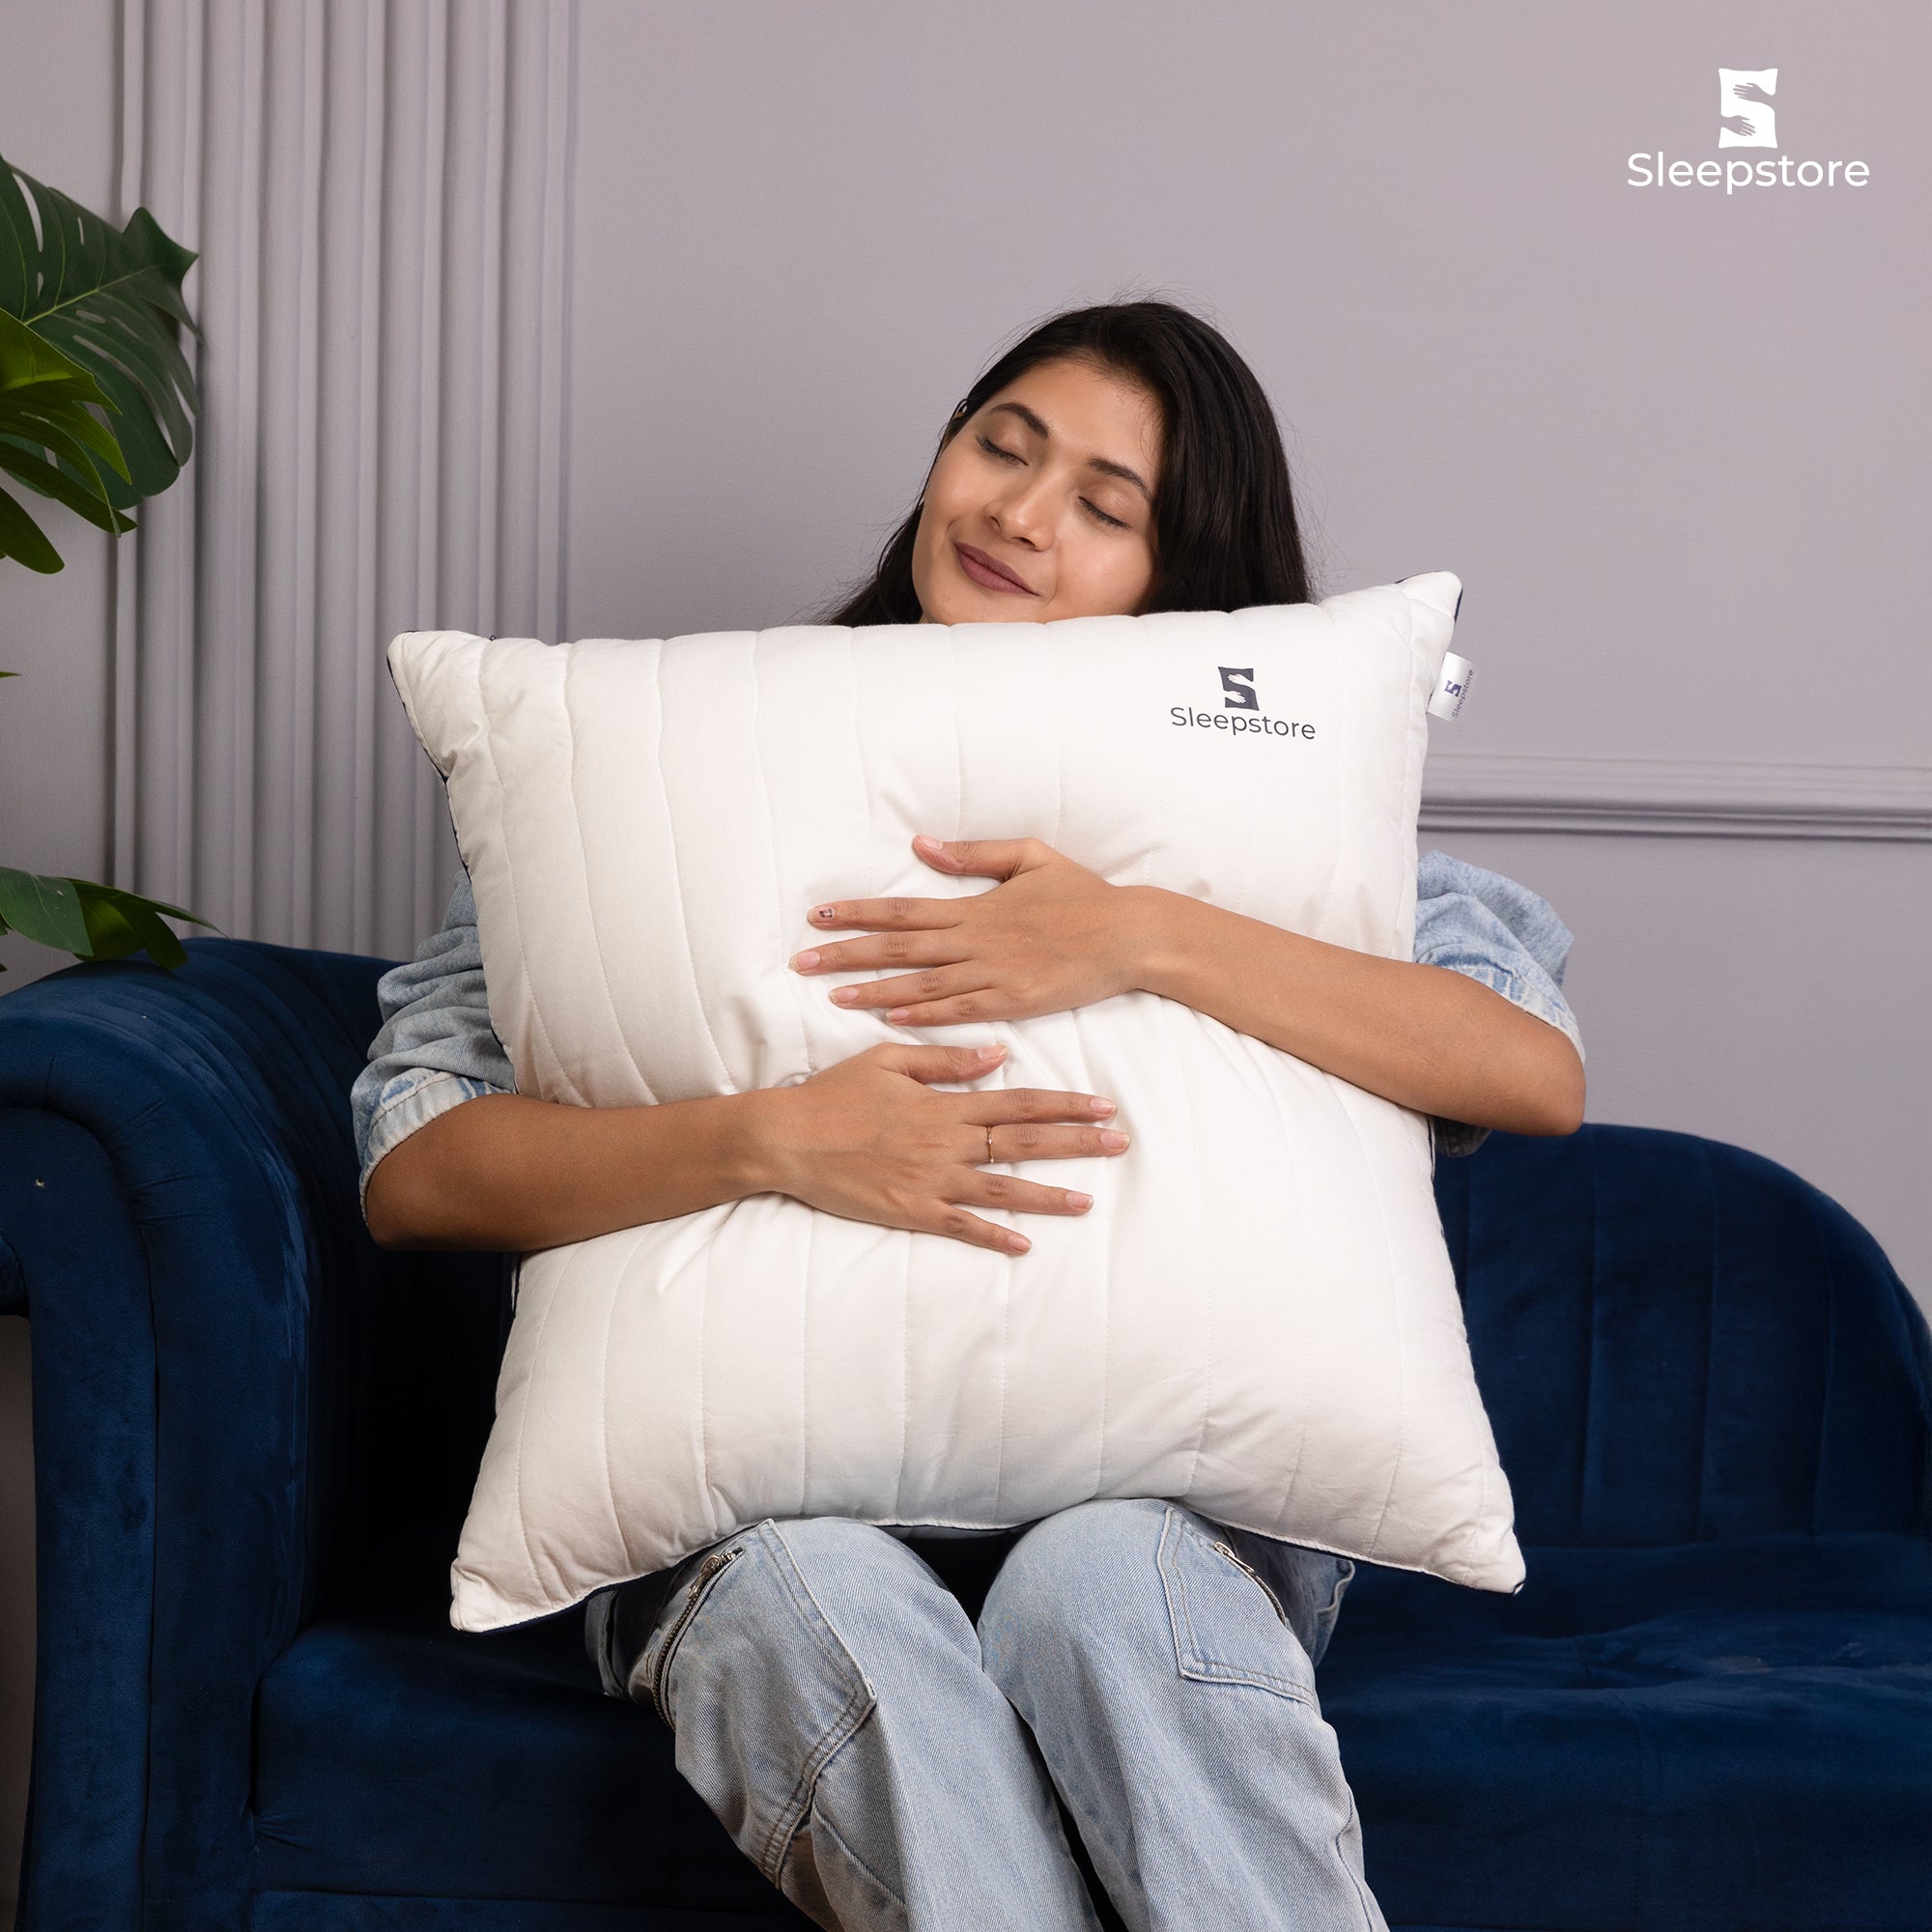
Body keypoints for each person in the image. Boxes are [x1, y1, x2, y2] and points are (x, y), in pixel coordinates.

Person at [353, 299, 1586, 1931]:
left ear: (1179, 573)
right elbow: (418, 1169)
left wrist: (1143, 933)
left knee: (1105, 1582)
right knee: (819, 1591)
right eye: (1003, 446)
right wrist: (776, 1136)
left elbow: (1527, 1069)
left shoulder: (1275, 825)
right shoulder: (671, 779)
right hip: (759, 1512)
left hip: (1178, 1510)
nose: (1020, 513)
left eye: (1103, 501)